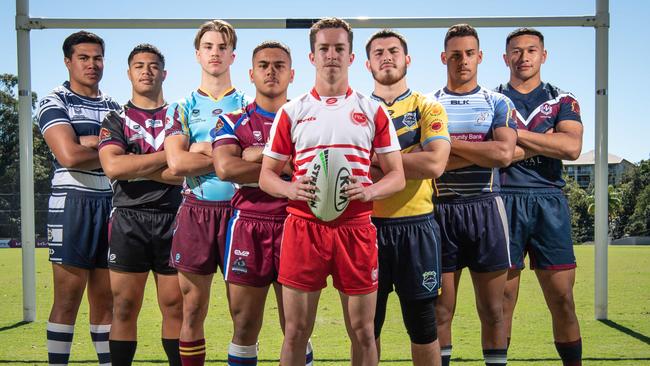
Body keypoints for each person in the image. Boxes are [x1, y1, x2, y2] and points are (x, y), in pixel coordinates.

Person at [259, 17, 405, 366]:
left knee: (364, 332)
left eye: (340, 48)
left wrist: (370, 192)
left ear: (351, 56)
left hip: (356, 227)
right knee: (295, 331)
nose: (332, 55)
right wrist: (290, 188)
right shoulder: (292, 112)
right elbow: (267, 176)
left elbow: (396, 175)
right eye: (324, 48)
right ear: (312, 56)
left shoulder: (373, 111)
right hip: (303, 226)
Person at [212, 40, 314, 366]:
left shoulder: (309, 119)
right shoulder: (231, 119)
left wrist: (257, 156)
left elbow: (317, 169)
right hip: (248, 226)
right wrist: (285, 163)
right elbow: (226, 167)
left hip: (296, 225)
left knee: (297, 329)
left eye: (279, 65)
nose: (271, 72)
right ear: (251, 74)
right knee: (244, 326)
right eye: (264, 66)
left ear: (292, 74)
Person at [429, 24, 517, 366]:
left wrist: (449, 145)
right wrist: (481, 148)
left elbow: (504, 155)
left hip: (486, 209)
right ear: (443, 58)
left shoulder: (498, 102)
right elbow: (430, 165)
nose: (462, 60)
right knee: (440, 310)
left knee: (494, 310)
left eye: (468, 54)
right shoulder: (429, 105)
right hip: (439, 211)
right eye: (454, 54)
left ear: (479, 57)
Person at [164, 19, 251, 366]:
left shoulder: (248, 104)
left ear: (233, 55)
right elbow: (176, 162)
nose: (215, 53)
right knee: (192, 309)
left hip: (243, 214)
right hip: (197, 211)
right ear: (198, 54)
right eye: (209, 47)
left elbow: (254, 156)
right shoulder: (181, 106)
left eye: (222, 47)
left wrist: (202, 148)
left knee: (243, 314)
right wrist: (226, 155)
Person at [496, 27, 583, 366]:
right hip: (503, 199)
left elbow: (571, 147)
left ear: (543, 56)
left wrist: (515, 137)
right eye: (516, 51)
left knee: (562, 298)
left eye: (531, 50)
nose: (524, 57)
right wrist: (544, 137)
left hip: (549, 200)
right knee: (502, 299)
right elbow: (497, 154)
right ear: (506, 58)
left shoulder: (563, 100)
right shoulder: (493, 99)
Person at [364, 29, 450, 366]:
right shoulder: (356, 109)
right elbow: (354, 169)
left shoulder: (428, 106)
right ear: (368, 64)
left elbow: (434, 163)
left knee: (423, 326)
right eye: (379, 52)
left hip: (417, 227)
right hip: (367, 227)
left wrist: (376, 160)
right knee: (366, 327)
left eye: (394, 51)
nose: (387, 57)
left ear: (407, 60)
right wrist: (407, 157)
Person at [97, 43, 184, 366]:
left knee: (176, 305)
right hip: (128, 220)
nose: (146, 71)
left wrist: (137, 163)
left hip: (173, 217)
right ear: (129, 73)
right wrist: (169, 158)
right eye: (139, 65)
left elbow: (184, 172)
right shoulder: (115, 118)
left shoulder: (179, 115)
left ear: (164, 73)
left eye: (152, 66)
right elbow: (114, 168)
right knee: (124, 306)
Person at [37, 30, 120, 366]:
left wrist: (90, 142)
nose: (92, 64)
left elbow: (128, 154)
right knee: (68, 299)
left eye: (97, 58)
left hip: (112, 205)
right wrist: (110, 148)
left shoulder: (115, 106)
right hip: (72, 204)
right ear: (68, 61)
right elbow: (69, 155)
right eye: (83, 58)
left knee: (106, 301)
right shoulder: (54, 100)